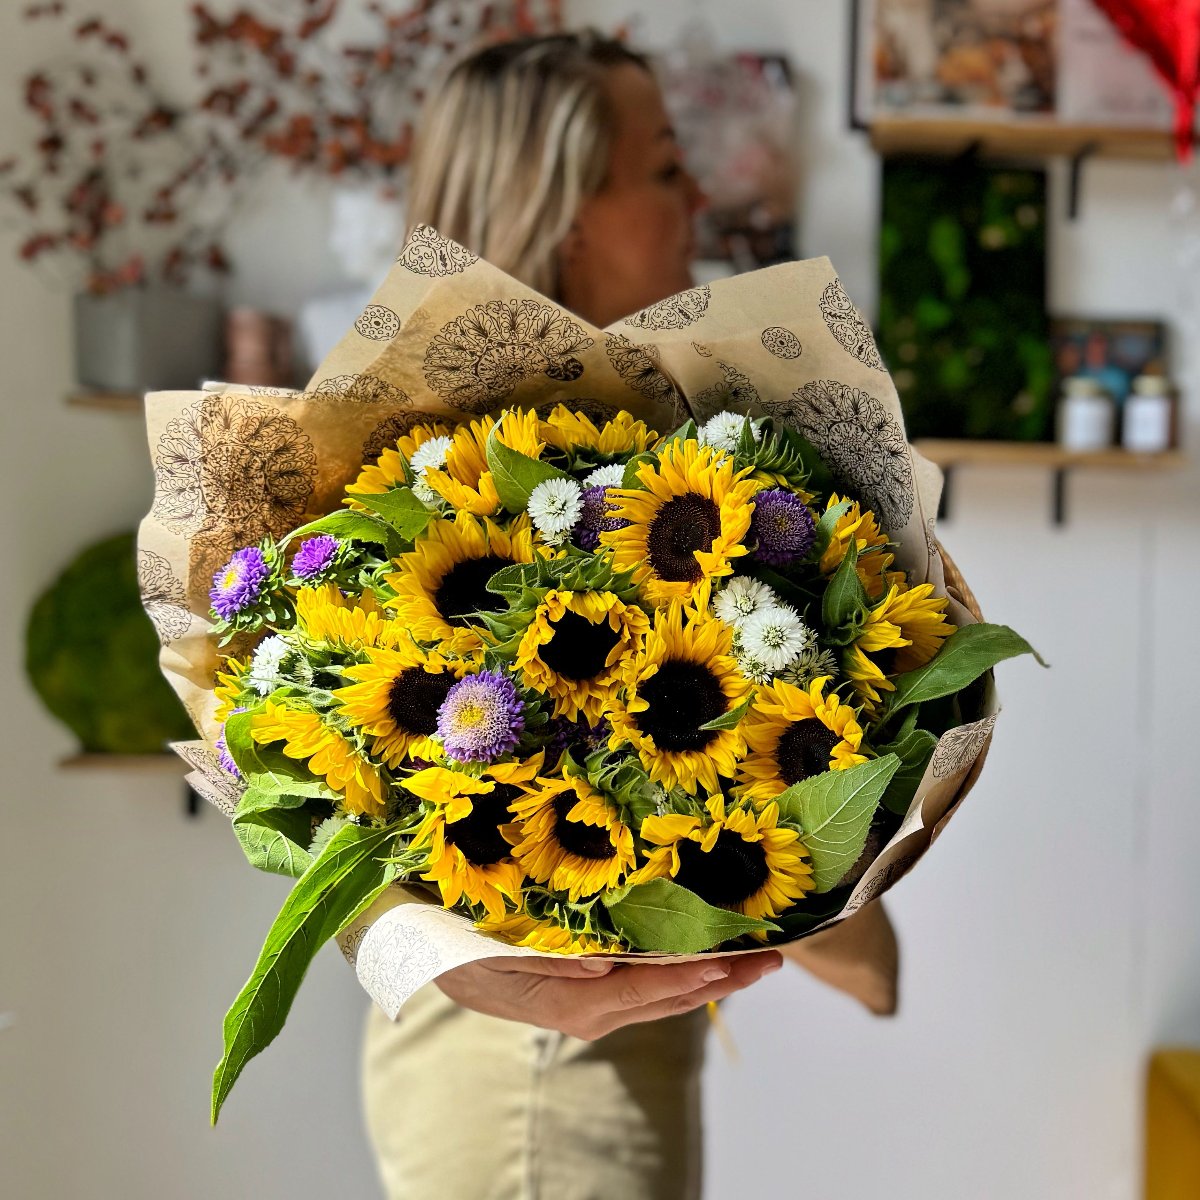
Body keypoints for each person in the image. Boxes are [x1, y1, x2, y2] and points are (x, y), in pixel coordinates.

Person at [361, 32, 899, 1200]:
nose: (697, 194)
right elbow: (331, 832)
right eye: (664, 167)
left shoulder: (649, 469)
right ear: (564, 215)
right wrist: (846, 923)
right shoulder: (435, 494)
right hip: (535, 1087)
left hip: (596, 1057)